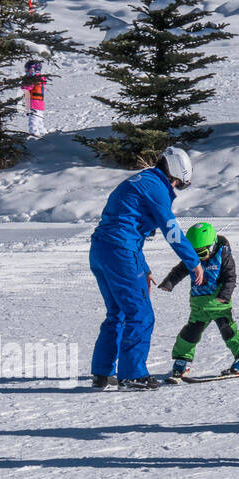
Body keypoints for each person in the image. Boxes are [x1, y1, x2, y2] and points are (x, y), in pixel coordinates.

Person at [89, 147, 204, 390]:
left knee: (118, 312)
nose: (175, 187)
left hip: (101, 250)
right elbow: (171, 228)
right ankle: (132, 374)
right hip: (120, 252)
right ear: (173, 174)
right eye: (178, 183)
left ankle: (102, 372)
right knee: (141, 314)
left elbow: (126, 227)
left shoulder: (139, 180)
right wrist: (193, 261)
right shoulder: (156, 188)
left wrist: (144, 267)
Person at [158, 222, 239, 382]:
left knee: (229, 331)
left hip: (219, 304)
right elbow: (179, 270)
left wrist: (224, 296)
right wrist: (169, 283)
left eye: (203, 252)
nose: (199, 258)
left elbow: (230, 278)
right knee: (189, 334)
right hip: (199, 305)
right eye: (194, 253)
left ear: (212, 245)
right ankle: (182, 360)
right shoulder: (193, 258)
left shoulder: (223, 254)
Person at [21, 60, 46, 138]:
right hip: (39, 104)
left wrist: (24, 83)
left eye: (28, 70)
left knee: (33, 121)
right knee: (39, 120)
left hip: (34, 103)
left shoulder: (34, 79)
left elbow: (27, 87)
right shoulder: (40, 78)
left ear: (33, 70)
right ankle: (44, 134)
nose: (26, 72)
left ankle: (34, 135)